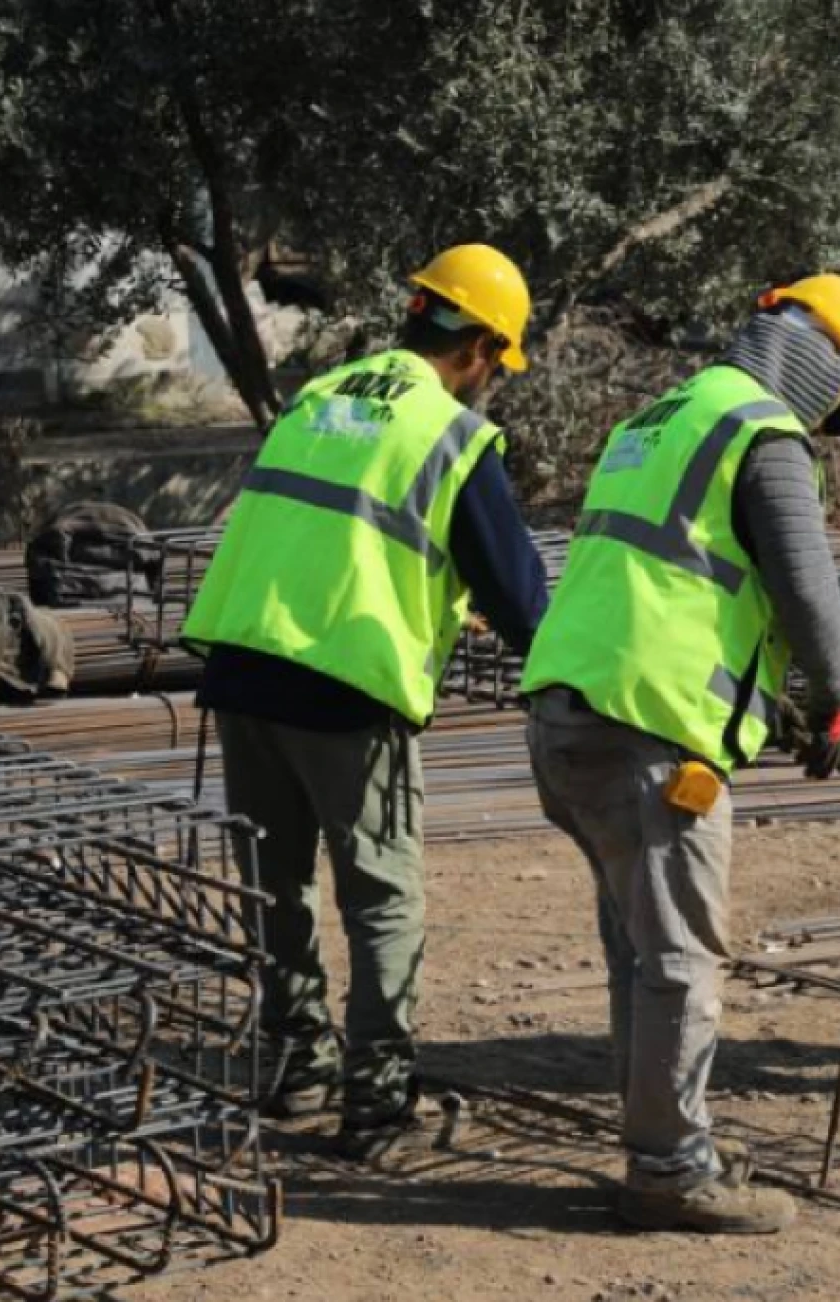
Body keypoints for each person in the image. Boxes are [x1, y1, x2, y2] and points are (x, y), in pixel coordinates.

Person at [519, 274, 840, 1233]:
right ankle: (671, 1170)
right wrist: (835, 700)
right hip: (649, 728)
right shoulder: (762, 433)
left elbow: (685, 573)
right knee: (680, 958)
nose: (829, 422)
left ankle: (669, 1141)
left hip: (568, 713)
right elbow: (807, 591)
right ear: (830, 363)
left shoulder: (661, 415)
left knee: (639, 951)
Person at [182, 245, 550, 1159]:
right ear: (477, 347)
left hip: (242, 663)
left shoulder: (321, 396)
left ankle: (298, 1069)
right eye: (499, 362)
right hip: (346, 689)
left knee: (278, 883)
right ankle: (379, 1105)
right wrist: (571, 666)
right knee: (382, 898)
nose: (496, 380)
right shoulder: (452, 434)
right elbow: (518, 596)